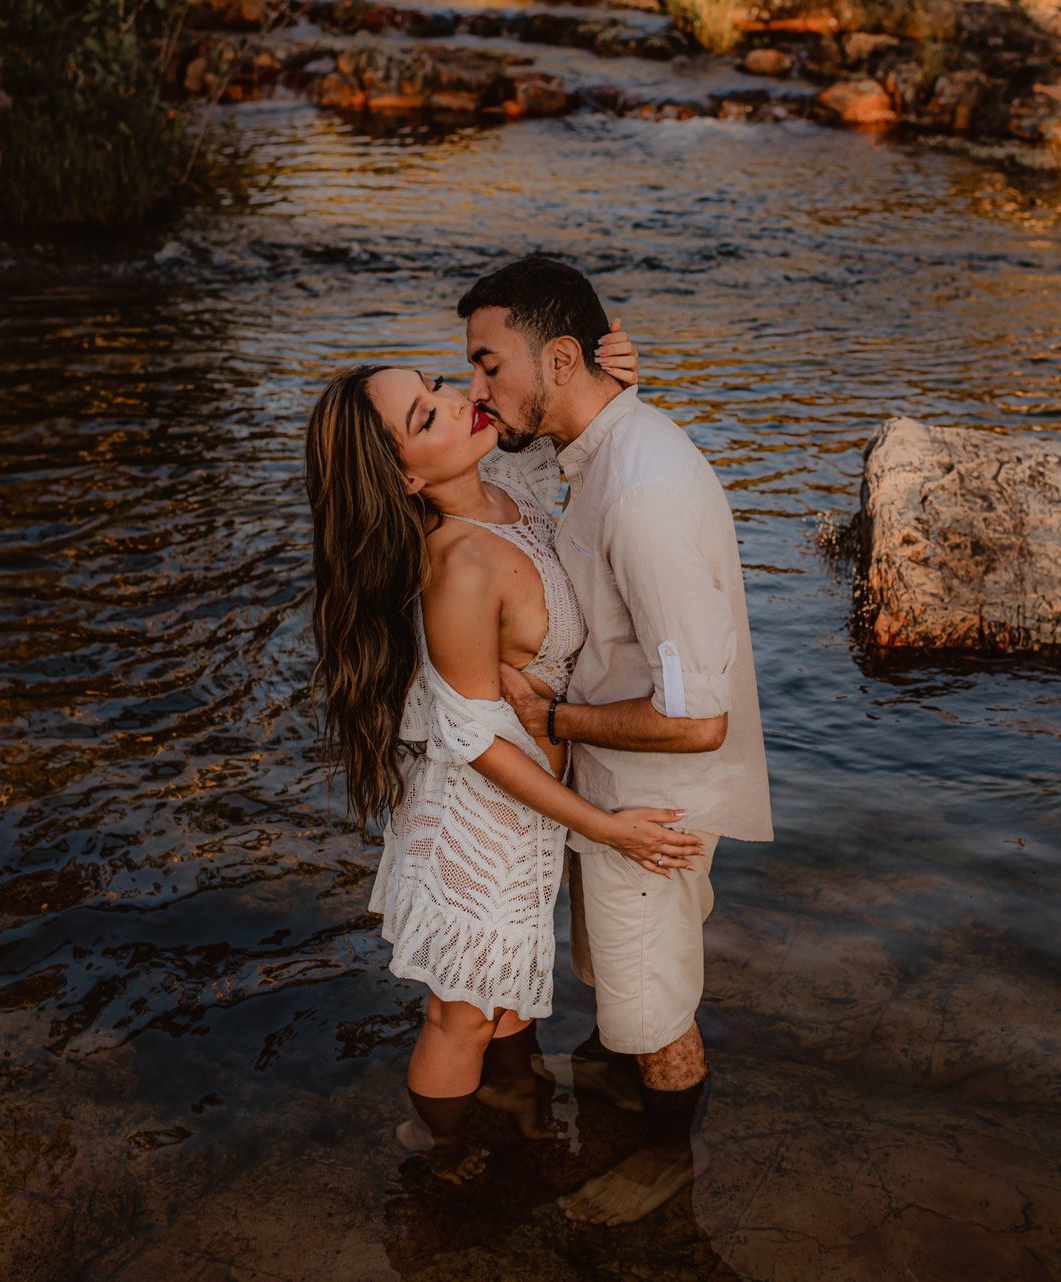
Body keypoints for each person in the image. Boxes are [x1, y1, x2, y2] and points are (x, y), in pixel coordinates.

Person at [303, 327, 705, 1184]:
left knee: (509, 992)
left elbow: (565, 429)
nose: (457, 399)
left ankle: (516, 1124)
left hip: (528, 819)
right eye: (427, 414)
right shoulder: (458, 567)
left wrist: (609, 380)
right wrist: (608, 827)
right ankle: (441, 1162)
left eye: (442, 384)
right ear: (407, 478)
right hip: (476, 824)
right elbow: (478, 742)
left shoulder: (507, 485)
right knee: (462, 1015)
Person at [458, 255, 773, 1225]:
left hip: (651, 801)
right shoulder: (601, 443)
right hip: (614, 789)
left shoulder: (641, 493)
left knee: (657, 1010)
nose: (476, 392)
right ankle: (632, 1097)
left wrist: (553, 719)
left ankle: (669, 1164)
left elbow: (698, 718)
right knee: (622, 985)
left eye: (485, 366)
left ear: (557, 360)